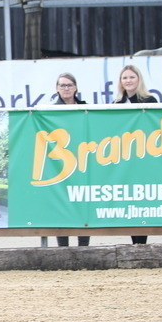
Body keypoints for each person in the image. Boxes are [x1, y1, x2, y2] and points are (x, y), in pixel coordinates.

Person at [115, 64, 157, 244]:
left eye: (131, 77)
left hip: (145, 157)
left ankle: (141, 244)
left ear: (138, 79)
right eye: (125, 78)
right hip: (124, 159)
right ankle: (135, 243)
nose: (128, 80)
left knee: (142, 201)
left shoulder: (150, 100)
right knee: (129, 200)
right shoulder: (117, 104)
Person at [53, 72, 89, 247]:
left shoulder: (86, 108)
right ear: (57, 89)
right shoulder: (51, 111)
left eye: (69, 85)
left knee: (84, 205)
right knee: (62, 205)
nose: (66, 88)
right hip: (61, 164)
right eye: (62, 85)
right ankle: (62, 249)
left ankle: (84, 248)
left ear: (76, 88)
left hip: (83, 161)